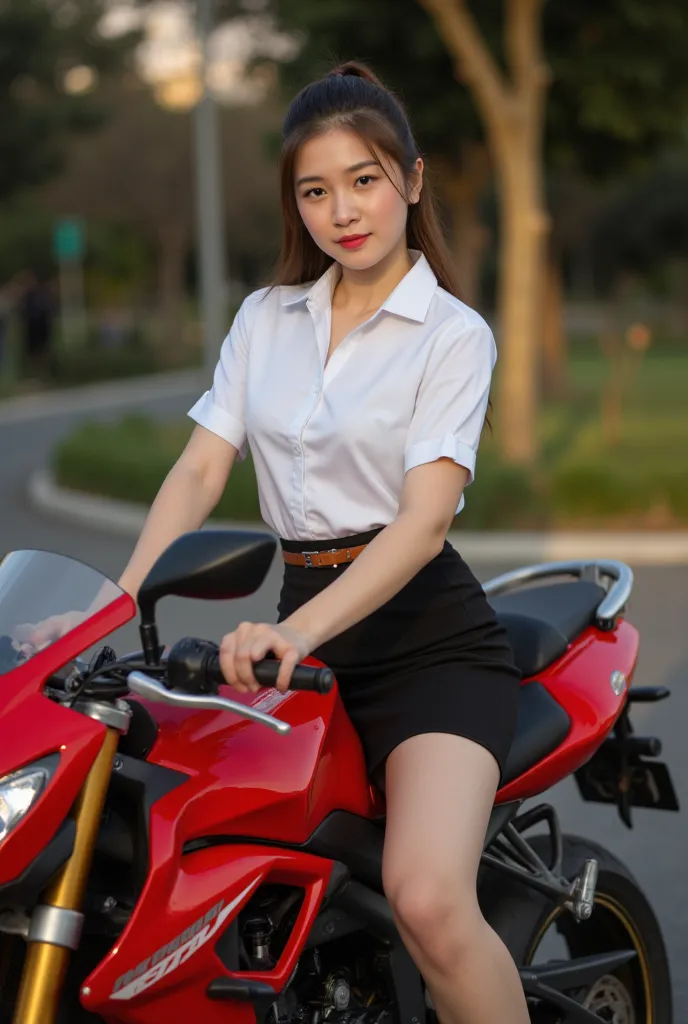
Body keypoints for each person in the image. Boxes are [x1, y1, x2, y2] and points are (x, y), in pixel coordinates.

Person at [31, 62, 528, 1023]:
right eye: (315, 190)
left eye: (366, 180)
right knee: (180, 854)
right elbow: (197, 472)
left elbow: (424, 525)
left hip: (428, 647)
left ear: (412, 183)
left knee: (427, 901)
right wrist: (107, 605)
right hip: (304, 638)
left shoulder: (452, 335)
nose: (343, 210)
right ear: (294, 204)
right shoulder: (265, 321)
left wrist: (296, 637)